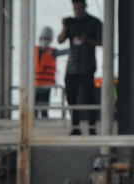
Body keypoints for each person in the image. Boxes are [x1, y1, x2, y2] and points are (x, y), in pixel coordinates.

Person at [58, 0, 102, 135]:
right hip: (72, 67)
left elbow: (103, 41)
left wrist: (87, 40)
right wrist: (64, 27)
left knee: (89, 97)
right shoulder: (70, 22)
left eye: (79, 8)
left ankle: (92, 128)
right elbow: (60, 40)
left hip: (87, 66)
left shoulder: (94, 22)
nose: (77, 10)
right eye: (75, 8)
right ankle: (76, 127)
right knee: (71, 97)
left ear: (84, 6)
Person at [34, 27, 59, 119]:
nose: (44, 41)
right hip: (34, 85)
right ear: (39, 39)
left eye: (47, 39)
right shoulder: (33, 51)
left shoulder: (54, 52)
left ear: (50, 40)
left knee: (44, 109)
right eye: (43, 38)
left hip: (46, 86)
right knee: (33, 109)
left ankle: (43, 125)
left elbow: (66, 52)